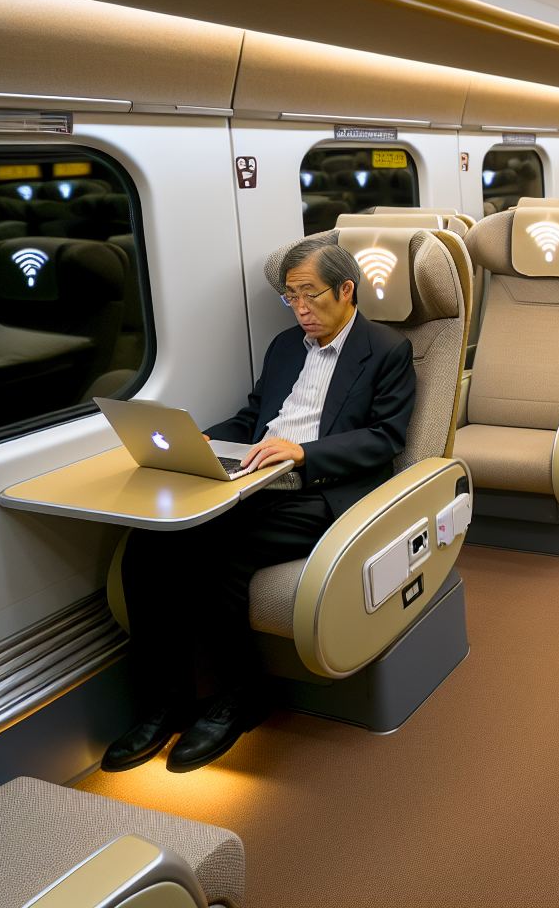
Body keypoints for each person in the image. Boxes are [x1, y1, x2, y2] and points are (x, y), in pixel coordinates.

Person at [103, 240, 416, 773]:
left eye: (310, 295)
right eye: (290, 297)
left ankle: (239, 695)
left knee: (218, 554)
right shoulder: (284, 346)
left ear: (346, 290)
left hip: (324, 491)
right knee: (146, 546)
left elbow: (386, 438)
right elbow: (253, 418)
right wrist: (201, 442)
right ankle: (168, 700)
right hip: (257, 481)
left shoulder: (386, 349)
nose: (300, 310)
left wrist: (303, 453)